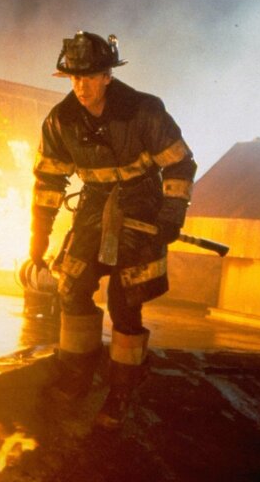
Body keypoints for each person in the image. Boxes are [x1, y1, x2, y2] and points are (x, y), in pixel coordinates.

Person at [29, 31, 197, 430]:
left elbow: (179, 165)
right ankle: (76, 375)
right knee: (71, 287)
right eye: (73, 78)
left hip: (143, 206)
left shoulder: (144, 111)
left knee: (126, 299)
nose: (81, 87)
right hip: (92, 206)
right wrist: (38, 242)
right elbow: (48, 183)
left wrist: (171, 218)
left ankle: (122, 390)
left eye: (89, 77)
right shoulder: (60, 121)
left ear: (108, 75)